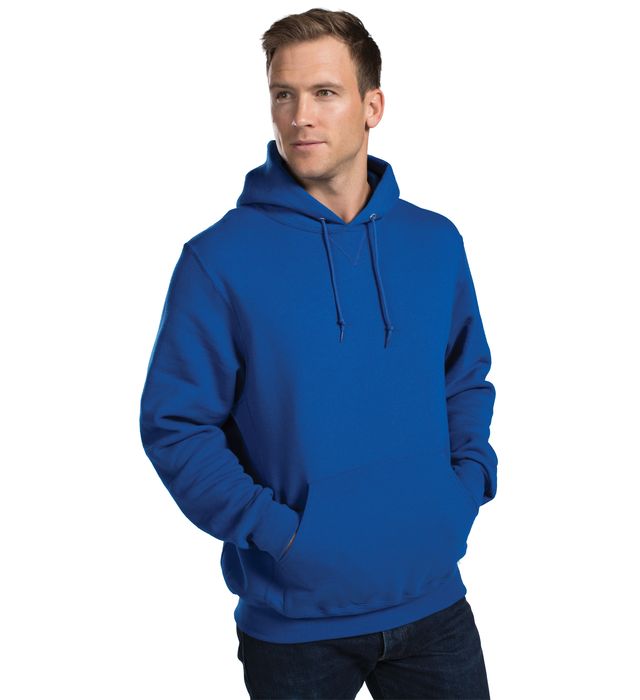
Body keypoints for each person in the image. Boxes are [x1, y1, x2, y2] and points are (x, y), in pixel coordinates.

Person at [139, 7, 498, 699]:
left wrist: (463, 489)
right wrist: (281, 535)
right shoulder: (218, 260)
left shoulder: (435, 243)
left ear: (372, 107)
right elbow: (176, 425)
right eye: (284, 94)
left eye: (325, 93)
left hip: (433, 601)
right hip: (296, 627)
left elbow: (464, 379)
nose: (300, 115)